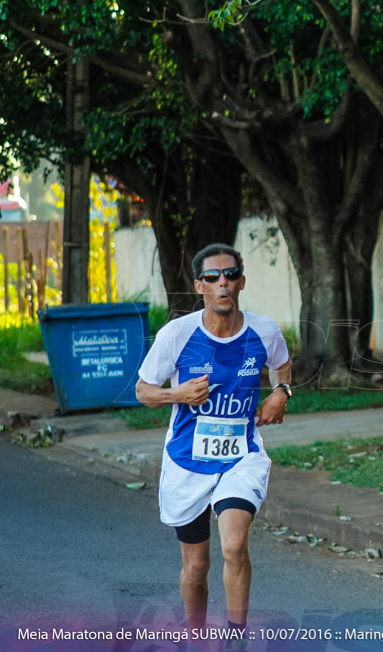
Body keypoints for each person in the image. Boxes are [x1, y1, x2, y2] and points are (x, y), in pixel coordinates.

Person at [135, 243, 292, 636]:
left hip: (241, 455)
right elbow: (143, 390)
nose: (222, 283)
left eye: (230, 275)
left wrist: (281, 393)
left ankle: (236, 639)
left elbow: (283, 366)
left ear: (241, 282)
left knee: (235, 547)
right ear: (199, 286)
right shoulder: (178, 334)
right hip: (187, 460)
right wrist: (178, 394)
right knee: (196, 567)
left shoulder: (264, 330)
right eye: (212, 277)